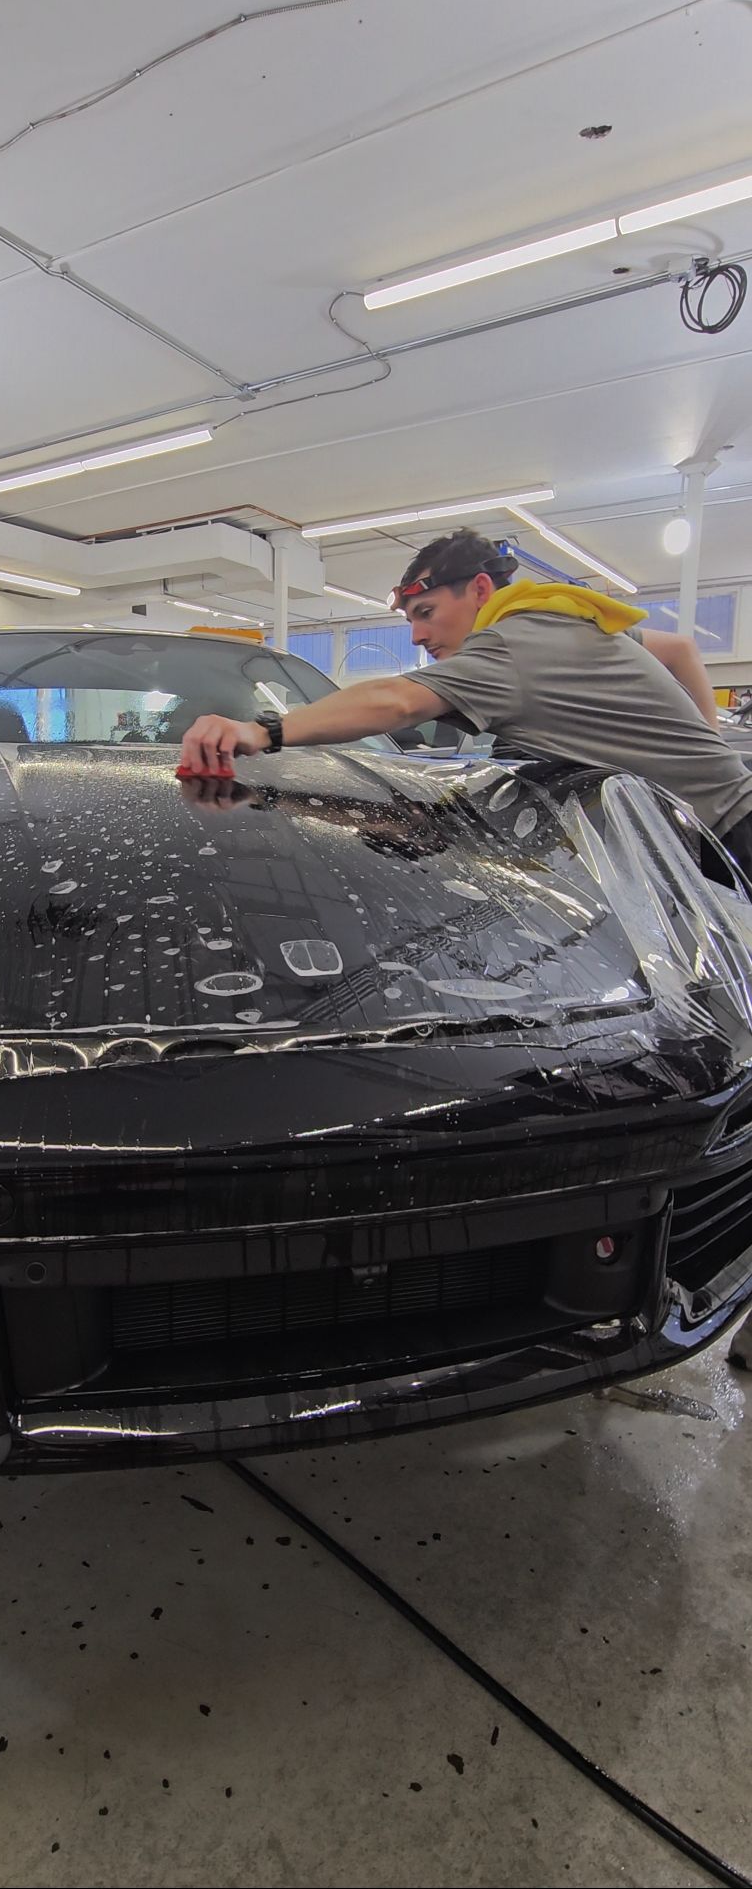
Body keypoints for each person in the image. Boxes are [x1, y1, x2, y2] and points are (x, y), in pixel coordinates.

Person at [179, 524, 752, 1371]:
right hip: (714, 829)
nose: (416, 629)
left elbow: (397, 703)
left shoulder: (516, 641)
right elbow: (672, 649)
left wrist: (263, 732)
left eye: (424, 607)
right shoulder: (571, 623)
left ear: (479, 593)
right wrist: (698, 763)